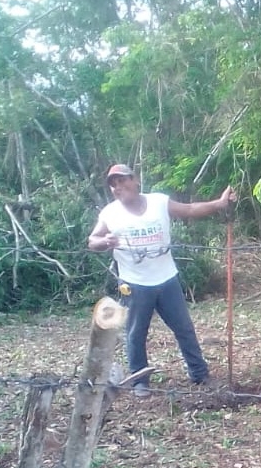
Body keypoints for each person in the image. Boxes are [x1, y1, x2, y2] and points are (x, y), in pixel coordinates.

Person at [87, 164, 236, 397]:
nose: (118, 187)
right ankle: (140, 380)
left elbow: (189, 209)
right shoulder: (109, 213)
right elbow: (92, 241)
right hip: (133, 284)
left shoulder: (158, 201)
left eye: (122, 180)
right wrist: (104, 241)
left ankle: (200, 374)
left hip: (167, 280)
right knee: (136, 333)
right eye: (113, 184)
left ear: (134, 180)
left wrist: (219, 204)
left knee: (184, 328)